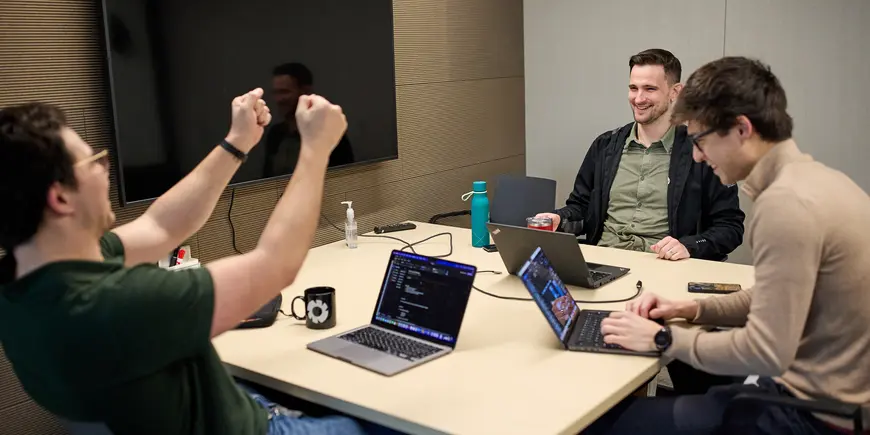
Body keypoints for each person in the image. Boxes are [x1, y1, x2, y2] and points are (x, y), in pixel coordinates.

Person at [0, 89, 386, 434]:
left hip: (207, 411)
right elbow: (276, 264)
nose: (104, 170)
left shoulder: (22, 287)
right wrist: (316, 150)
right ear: (61, 198)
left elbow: (160, 225)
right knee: (383, 420)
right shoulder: (116, 304)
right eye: (93, 162)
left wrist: (237, 143)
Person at [586, 57, 870, 434]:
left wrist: (661, 337)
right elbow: (772, 296)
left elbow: (765, 351)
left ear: (741, 129)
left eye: (700, 141)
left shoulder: (786, 206)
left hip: (813, 415)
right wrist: (689, 309)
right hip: (821, 395)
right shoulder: (819, 181)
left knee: (600, 424)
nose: (698, 156)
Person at [536, 49, 744, 262]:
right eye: (633, 88)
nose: (639, 98)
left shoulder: (704, 153)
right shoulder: (605, 146)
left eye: (650, 89)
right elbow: (581, 209)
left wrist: (688, 246)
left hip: (663, 266)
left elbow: (730, 227)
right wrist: (559, 219)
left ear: (675, 92)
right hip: (603, 260)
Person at [263, 62, 355, 177]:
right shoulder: (275, 134)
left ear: (305, 91)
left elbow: (345, 179)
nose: (278, 99)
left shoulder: (329, 133)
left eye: (285, 92)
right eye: (276, 92)